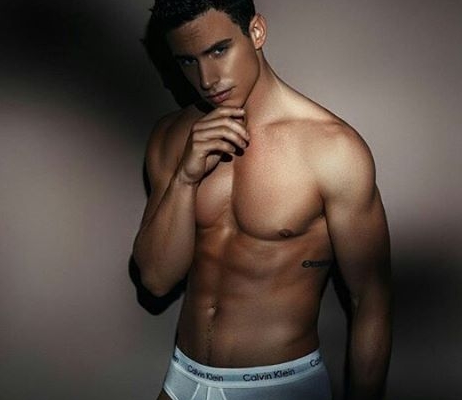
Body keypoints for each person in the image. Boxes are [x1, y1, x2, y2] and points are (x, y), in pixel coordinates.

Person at [133, 1, 392, 399]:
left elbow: (371, 301)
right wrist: (186, 177)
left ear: (256, 32)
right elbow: (155, 279)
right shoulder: (171, 136)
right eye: (188, 61)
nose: (207, 79)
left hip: (279, 385)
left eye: (219, 50)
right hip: (183, 379)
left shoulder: (332, 149)